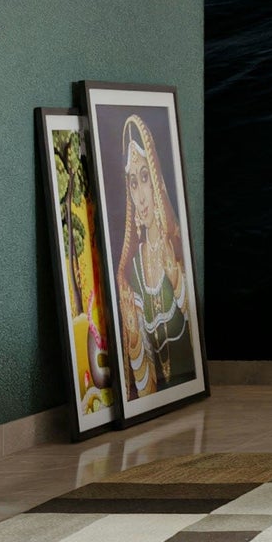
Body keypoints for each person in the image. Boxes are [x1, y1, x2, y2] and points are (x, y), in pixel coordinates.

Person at [114, 115, 196, 397]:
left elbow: (196, 332)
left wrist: (176, 279)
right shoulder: (133, 270)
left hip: (190, 394)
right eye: (133, 183)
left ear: (157, 180)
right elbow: (144, 378)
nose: (141, 196)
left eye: (145, 178)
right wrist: (134, 336)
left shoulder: (176, 246)